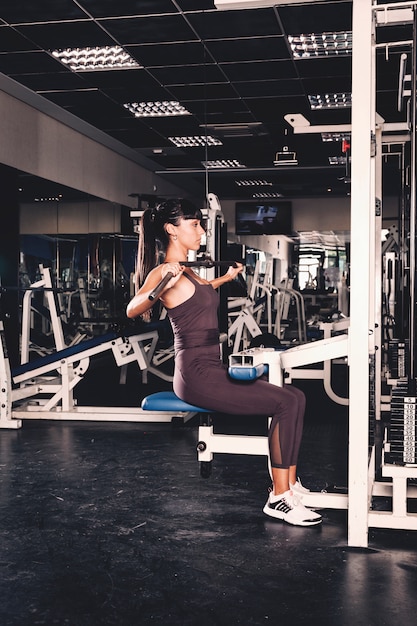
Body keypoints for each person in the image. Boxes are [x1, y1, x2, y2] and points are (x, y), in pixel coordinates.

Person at [126, 198, 321, 527]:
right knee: (286, 403)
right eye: (194, 224)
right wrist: (160, 284)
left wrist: (227, 278)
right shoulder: (166, 271)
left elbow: (203, 291)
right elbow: (133, 309)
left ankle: (289, 486)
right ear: (172, 230)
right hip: (196, 376)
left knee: (296, 397)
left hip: (210, 368)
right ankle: (279, 497)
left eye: (201, 224)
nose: (201, 231)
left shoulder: (188, 271)